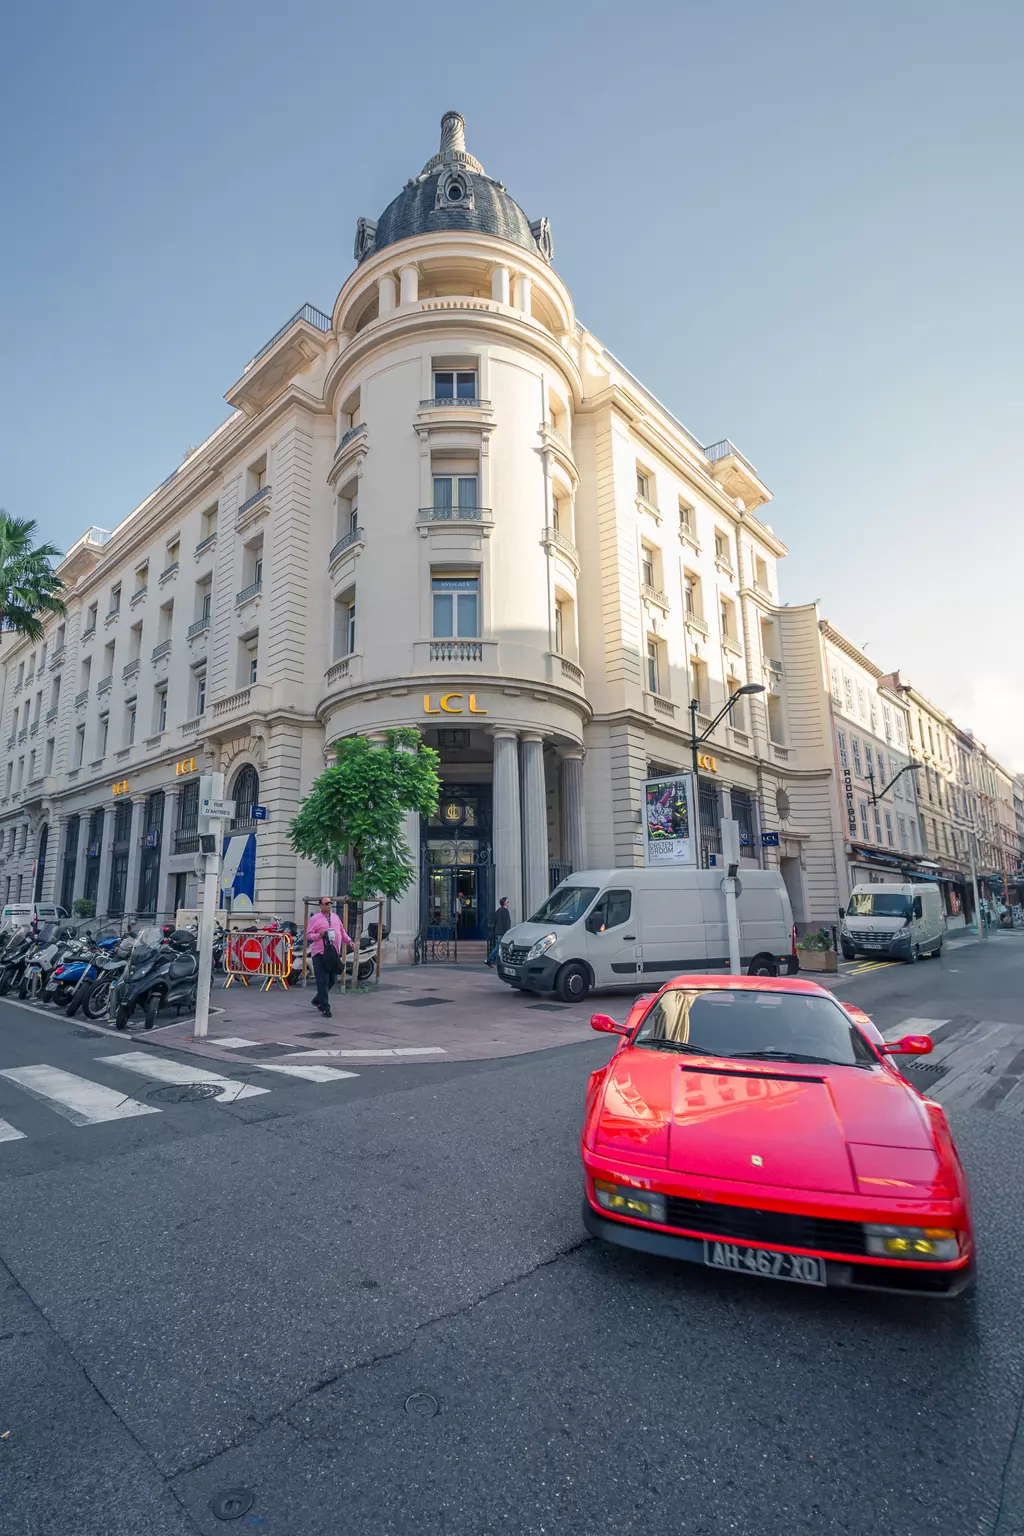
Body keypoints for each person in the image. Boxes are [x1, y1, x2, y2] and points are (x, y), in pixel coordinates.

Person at [306, 896, 351, 1017]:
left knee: (332, 979)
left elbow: (341, 931)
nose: (329, 905)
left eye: (331, 903)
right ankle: (325, 1008)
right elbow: (309, 935)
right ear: (321, 906)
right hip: (319, 953)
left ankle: (317, 999)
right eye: (326, 903)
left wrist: (349, 941)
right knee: (322, 980)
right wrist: (319, 935)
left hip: (333, 953)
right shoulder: (315, 919)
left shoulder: (335, 917)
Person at [486, 896, 512, 967]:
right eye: (507, 902)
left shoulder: (498, 911)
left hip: (498, 931)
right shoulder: (505, 911)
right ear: (504, 903)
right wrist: (507, 931)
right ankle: (489, 959)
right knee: (499, 946)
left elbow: (494, 921)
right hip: (503, 931)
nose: (508, 903)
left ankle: (496, 959)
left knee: (499, 946)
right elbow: (506, 922)